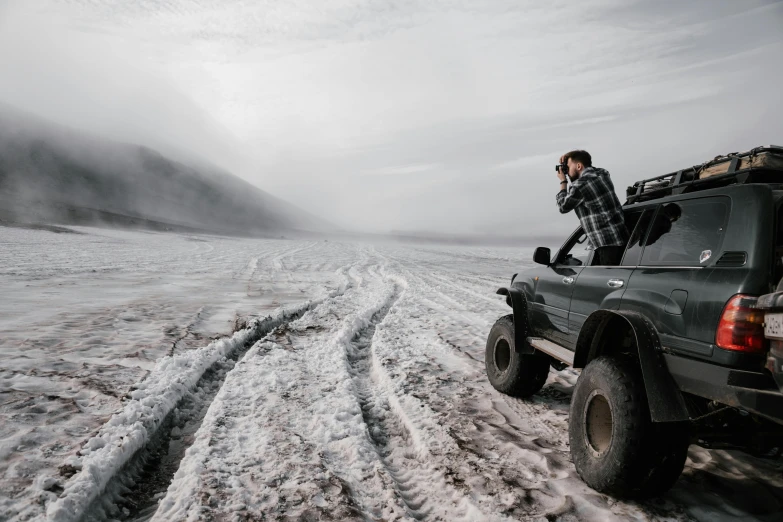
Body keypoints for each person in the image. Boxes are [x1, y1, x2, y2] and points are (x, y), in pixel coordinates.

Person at [556, 150, 628, 266]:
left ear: (579, 166)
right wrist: (571, 158)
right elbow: (589, 166)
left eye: (567, 167)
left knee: (604, 281)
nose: (566, 171)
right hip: (617, 238)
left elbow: (563, 206)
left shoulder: (580, 185)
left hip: (605, 243)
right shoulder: (603, 174)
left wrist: (563, 182)